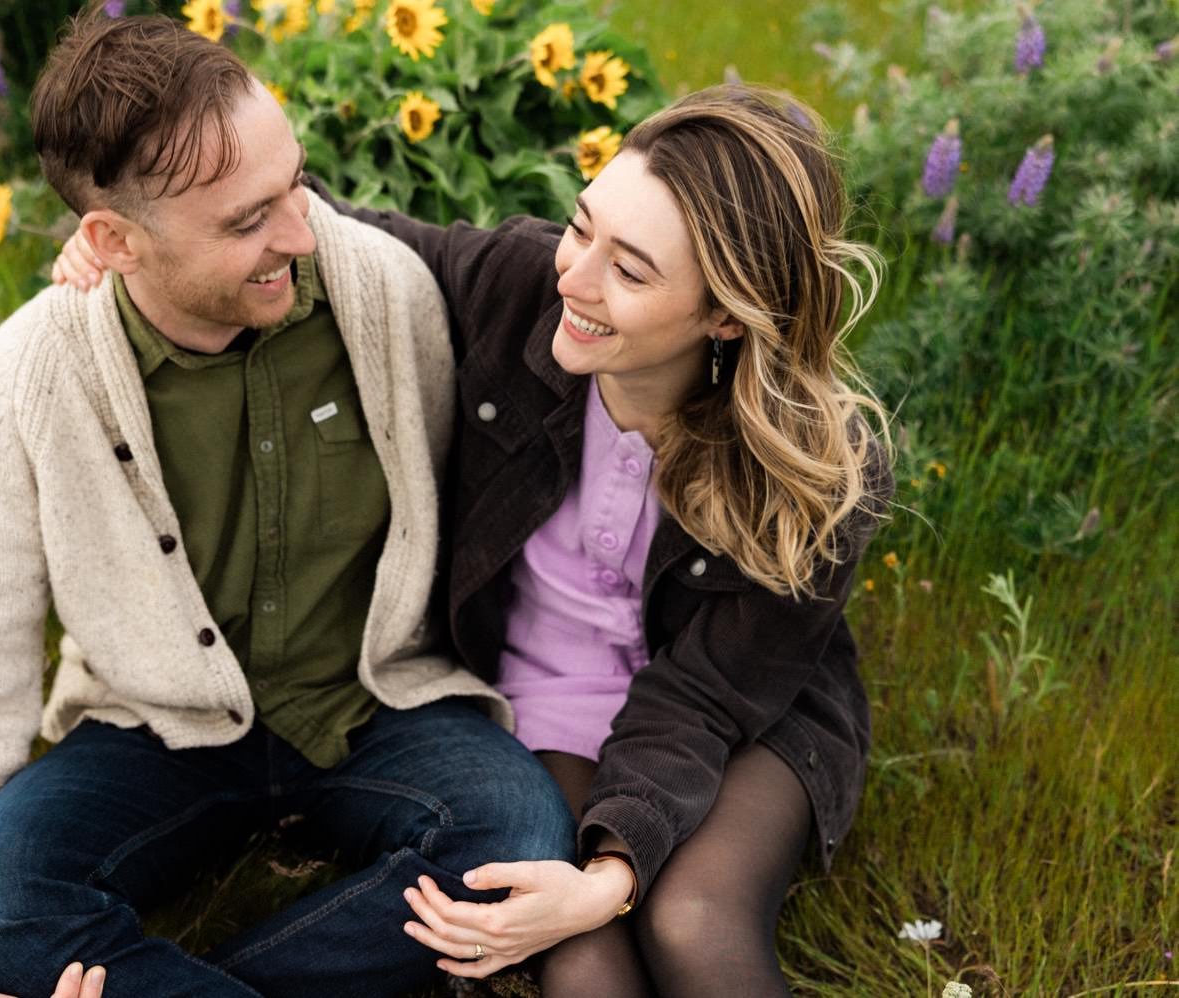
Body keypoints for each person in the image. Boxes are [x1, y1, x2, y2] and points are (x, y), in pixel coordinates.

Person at [58, 84, 893, 995]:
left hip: (741, 714)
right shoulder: (519, 289)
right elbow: (337, 231)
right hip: (547, 696)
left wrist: (612, 877)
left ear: (725, 316)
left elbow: (705, 697)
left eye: (633, 270)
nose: (575, 278)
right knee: (578, 961)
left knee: (690, 918)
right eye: (583, 228)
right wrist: (148, 240)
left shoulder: (817, 472)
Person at [0, 10, 575, 998]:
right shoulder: (26, 374)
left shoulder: (383, 293)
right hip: (153, 730)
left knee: (514, 842)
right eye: (248, 220)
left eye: (291, 183)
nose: (299, 232)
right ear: (112, 239)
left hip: (374, 703)